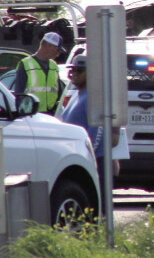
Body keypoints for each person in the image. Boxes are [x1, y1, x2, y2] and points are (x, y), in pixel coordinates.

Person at [61, 55, 120, 213]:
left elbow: (97, 130)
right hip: (79, 161)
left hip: (95, 162)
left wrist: (89, 158)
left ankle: (103, 236)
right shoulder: (78, 95)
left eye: (79, 71)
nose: (74, 74)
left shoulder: (94, 97)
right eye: (72, 71)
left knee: (98, 209)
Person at [14, 32, 64, 115]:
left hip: (51, 114)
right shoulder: (25, 64)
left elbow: (59, 91)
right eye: (57, 49)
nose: (58, 53)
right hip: (32, 115)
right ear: (49, 45)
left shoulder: (54, 66)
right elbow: (19, 94)